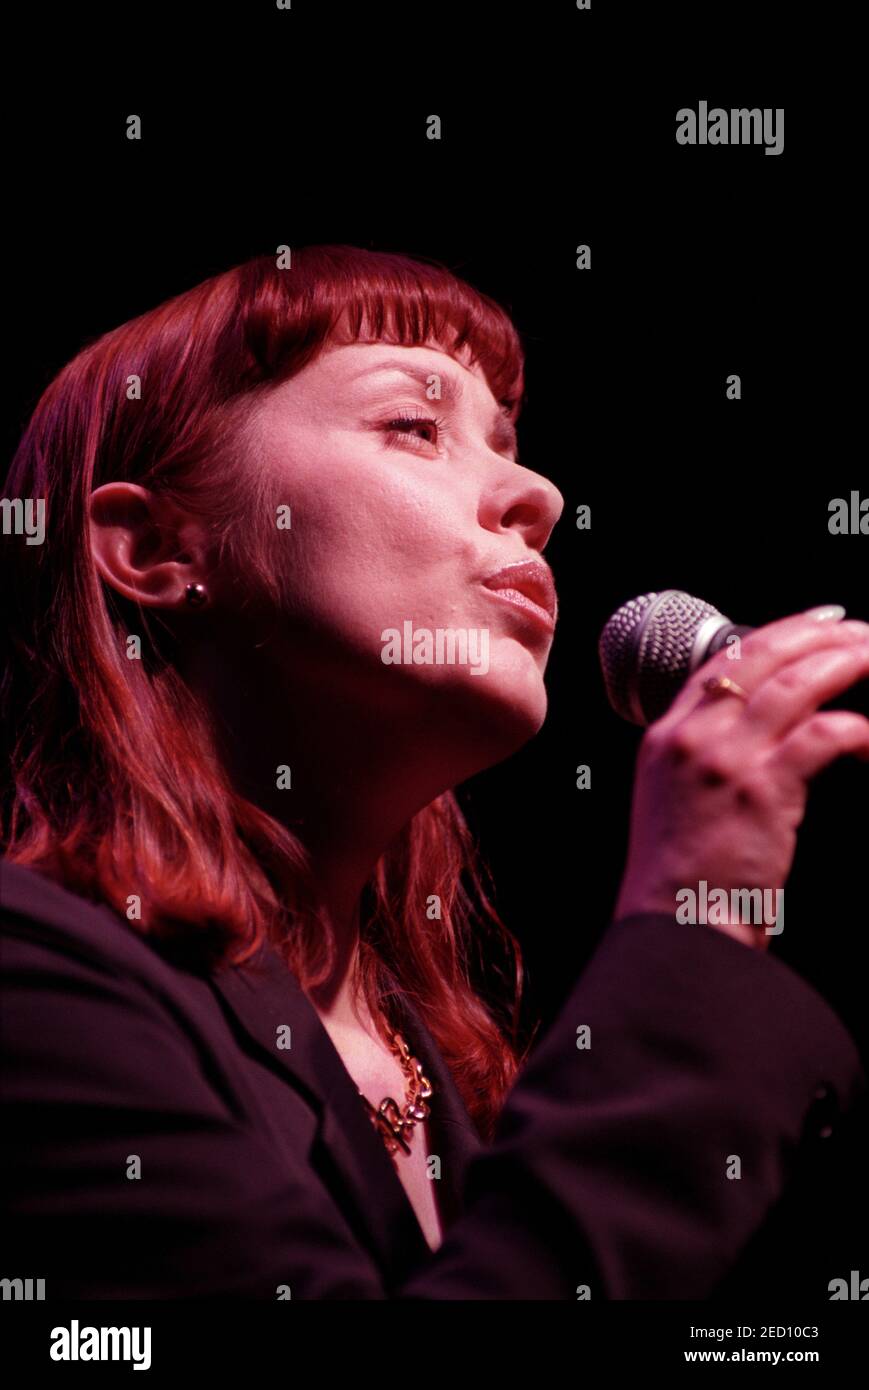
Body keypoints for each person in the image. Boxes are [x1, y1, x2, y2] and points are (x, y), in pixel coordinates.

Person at [1, 245, 867, 1299]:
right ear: (152, 548)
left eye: (508, 442)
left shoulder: (461, 1073)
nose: (537, 495)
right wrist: (689, 928)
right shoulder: (31, 981)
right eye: (414, 426)